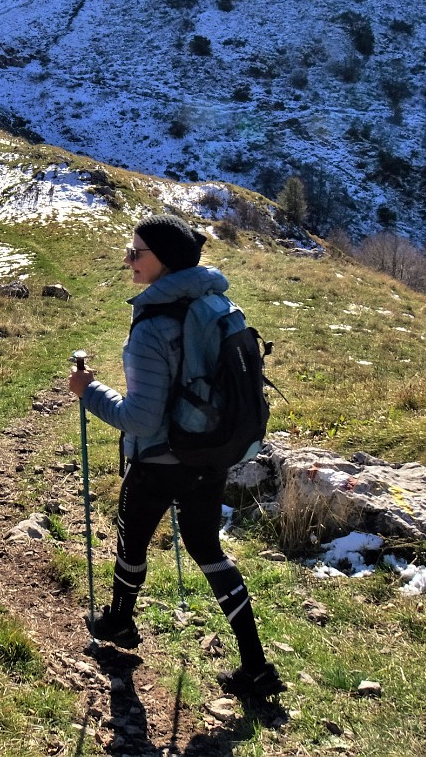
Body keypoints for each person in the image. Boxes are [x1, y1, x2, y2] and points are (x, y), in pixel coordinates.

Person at [68, 214, 285, 700]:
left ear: (163, 261)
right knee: (208, 550)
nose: (127, 260)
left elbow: (141, 420)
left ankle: (120, 623)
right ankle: (256, 665)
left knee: (133, 540)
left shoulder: (151, 327)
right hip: (208, 455)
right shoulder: (213, 303)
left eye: (135, 252)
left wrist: (88, 391)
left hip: (158, 461)